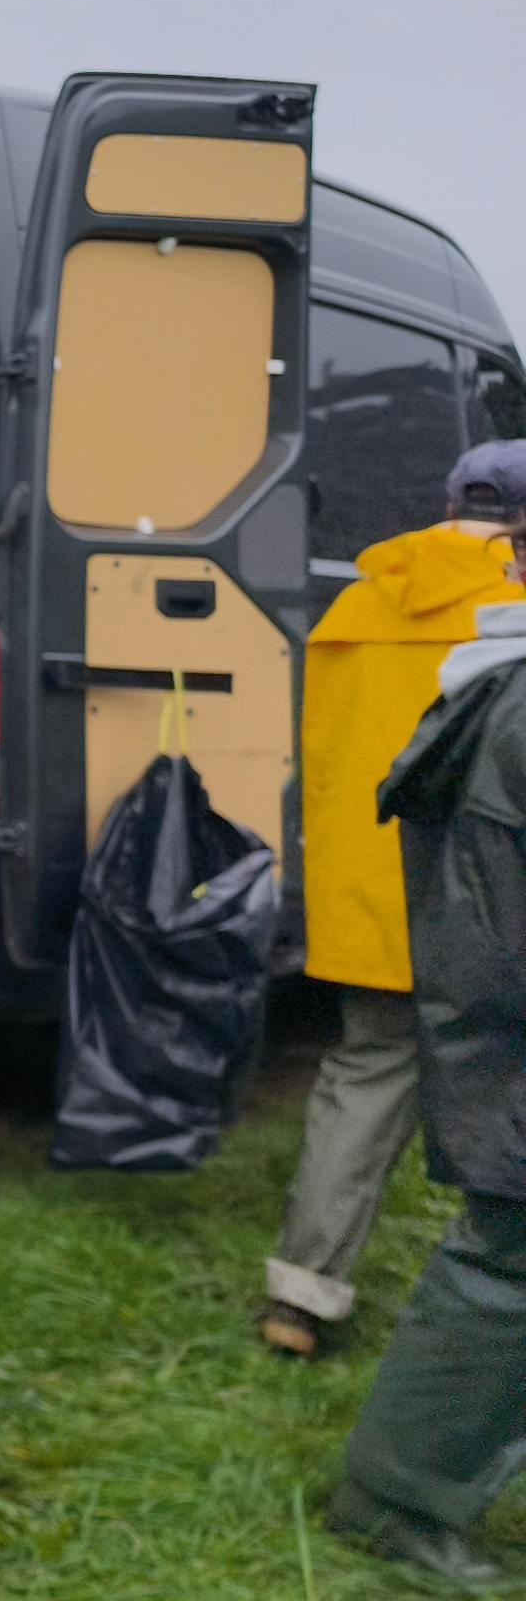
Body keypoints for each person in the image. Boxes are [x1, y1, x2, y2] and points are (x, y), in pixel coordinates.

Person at [260, 445, 526, 1359]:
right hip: (496, 908)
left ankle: (300, 1295)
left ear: (449, 502)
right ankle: (489, 1321)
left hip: (375, 899)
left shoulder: (354, 605)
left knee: (366, 1079)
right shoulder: (514, 613)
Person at [322, 561, 526, 1588]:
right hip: (509, 1035)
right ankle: (395, 1496)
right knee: (508, 1268)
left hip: (493, 1024)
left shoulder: (498, 673)